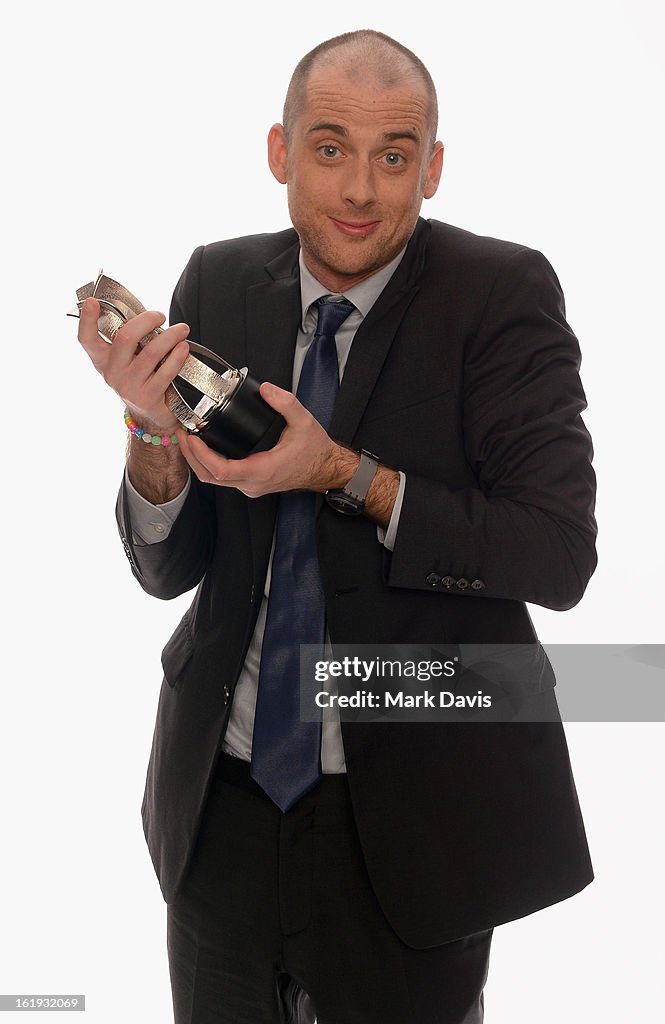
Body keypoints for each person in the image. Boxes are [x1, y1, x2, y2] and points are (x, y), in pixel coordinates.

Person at [77, 29, 597, 1024]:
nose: (360, 188)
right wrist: (148, 430)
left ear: (431, 168)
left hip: (408, 817)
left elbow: (555, 552)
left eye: (393, 155)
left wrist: (342, 473)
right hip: (218, 805)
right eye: (328, 148)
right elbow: (172, 567)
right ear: (279, 151)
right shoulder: (217, 279)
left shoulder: (500, 295)